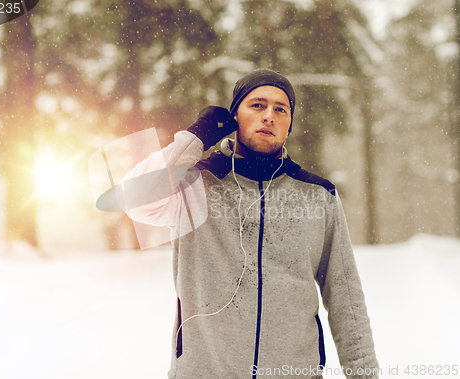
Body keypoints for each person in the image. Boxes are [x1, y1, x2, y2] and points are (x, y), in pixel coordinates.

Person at [117, 69, 379, 378]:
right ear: (234, 118)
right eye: (257, 105)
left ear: (289, 124)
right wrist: (193, 140)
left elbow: (345, 297)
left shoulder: (317, 196)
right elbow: (132, 198)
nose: (269, 115)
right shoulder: (194, 185)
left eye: (281, 109)